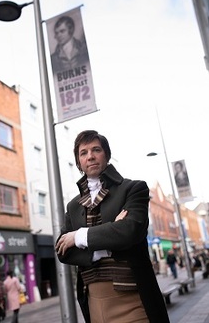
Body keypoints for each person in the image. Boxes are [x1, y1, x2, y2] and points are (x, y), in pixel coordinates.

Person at [55, 130, 170, 323]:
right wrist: (110, 233)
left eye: (96, 150)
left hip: (133, 301)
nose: (90, 156)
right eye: (83, 153)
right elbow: (62, 251)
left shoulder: (134, 188)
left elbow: (129, 231)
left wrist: (78, 237)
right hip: (93, 304)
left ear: (106, 155)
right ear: (78, 162)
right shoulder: (73, 205)